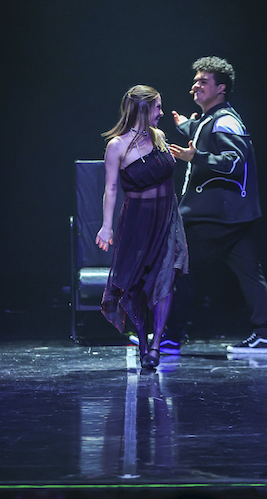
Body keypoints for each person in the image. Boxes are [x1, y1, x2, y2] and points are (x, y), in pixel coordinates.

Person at [164, 56, 267, 355]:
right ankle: (265, 336)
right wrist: (187, 126)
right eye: (195, 81)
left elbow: (233, 162)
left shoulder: (225, 120)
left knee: (178, 270)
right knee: (251, 274)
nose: (195, 86)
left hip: (214, 217)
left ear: (221, 88)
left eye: (203, 82)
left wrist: (194, 158)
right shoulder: (212, 120)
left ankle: (169, 338)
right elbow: (205, 134)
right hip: (233, 217)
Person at [96, 85, 188, 369]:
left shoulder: (158, 137)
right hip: (137, 221)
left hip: (167, 219)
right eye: (158, 107)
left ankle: (156, 346)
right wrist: (106, 227)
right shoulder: (117, 146)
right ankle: (144, 343)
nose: (161, 113)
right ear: (144, 109)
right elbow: (111, 189)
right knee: (136, 284)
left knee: (165, 277)